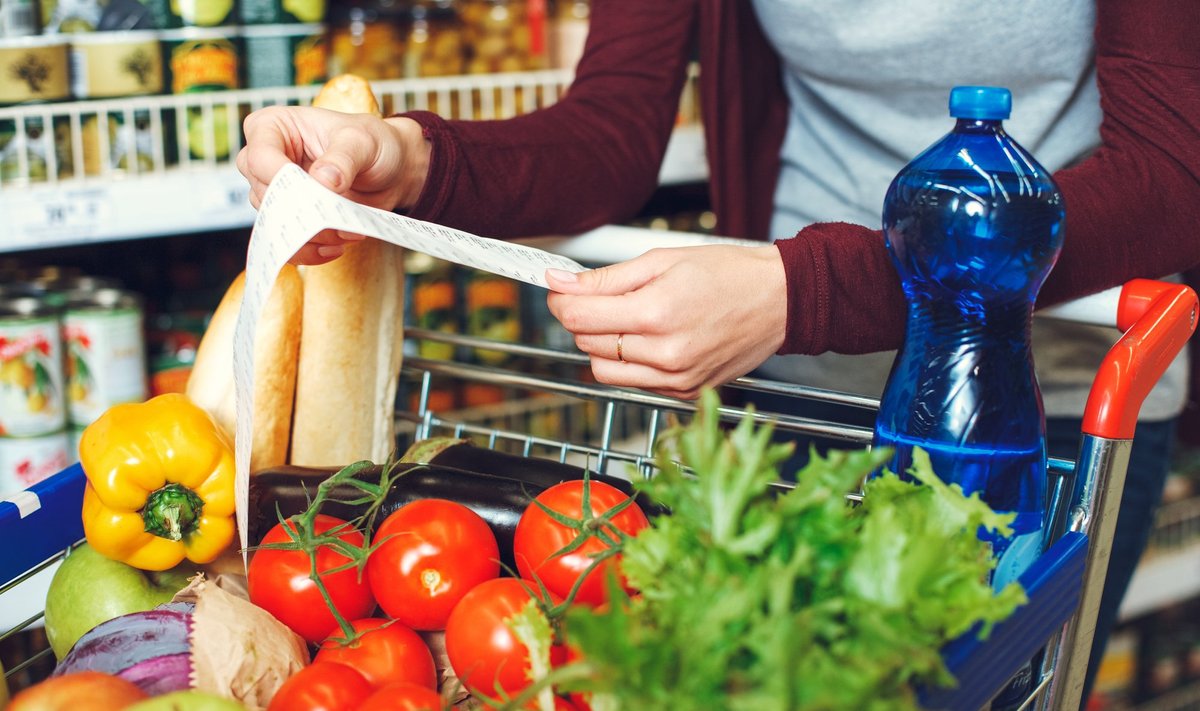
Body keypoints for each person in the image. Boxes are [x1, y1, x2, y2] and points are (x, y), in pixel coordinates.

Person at [237, 0, 1200, 704]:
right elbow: (610, 128)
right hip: (795, 399)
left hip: (1036, 412)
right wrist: (409, 158)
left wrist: (808, 290)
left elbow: (1169, 173)